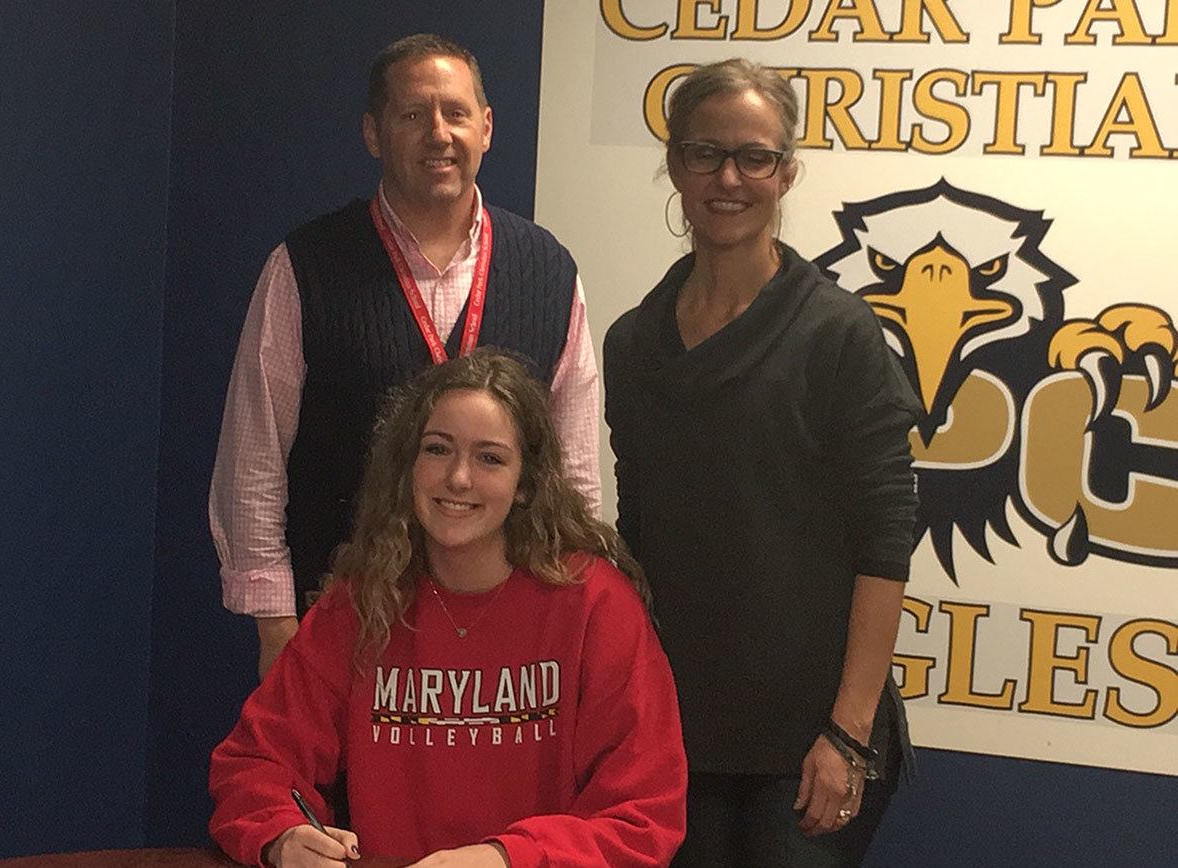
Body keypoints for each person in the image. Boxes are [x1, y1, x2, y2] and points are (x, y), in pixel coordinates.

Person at [603, 59, 921, 867]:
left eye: (756, 157)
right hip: (678, 737)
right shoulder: (634, 343)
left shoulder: (839, 335)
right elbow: (638, 541)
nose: (730, 178)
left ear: (787, 171)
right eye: (706, 153)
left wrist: (848, 734)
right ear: (675, 164)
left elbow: (886, 544)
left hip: (809, 745)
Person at [209, 34, 602, 678]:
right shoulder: (305, 266)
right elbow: (253, 459)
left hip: (508, 629)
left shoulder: (548, 269)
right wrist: (277, 624)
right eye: (413, 115)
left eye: (456, 112)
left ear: (487, 128)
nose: (438, 133)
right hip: (345, 619)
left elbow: (575, 472)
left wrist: (575, 601)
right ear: (374, 132)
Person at [209, 349, 687, 868]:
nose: (458, 478)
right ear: (408, 466)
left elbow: (644, 815)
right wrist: (283, 835)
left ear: (526, 483)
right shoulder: (362, 603)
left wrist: (506, 860)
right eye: (437, 450)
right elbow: (254, 764)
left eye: (489, 458)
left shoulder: (595, 604)